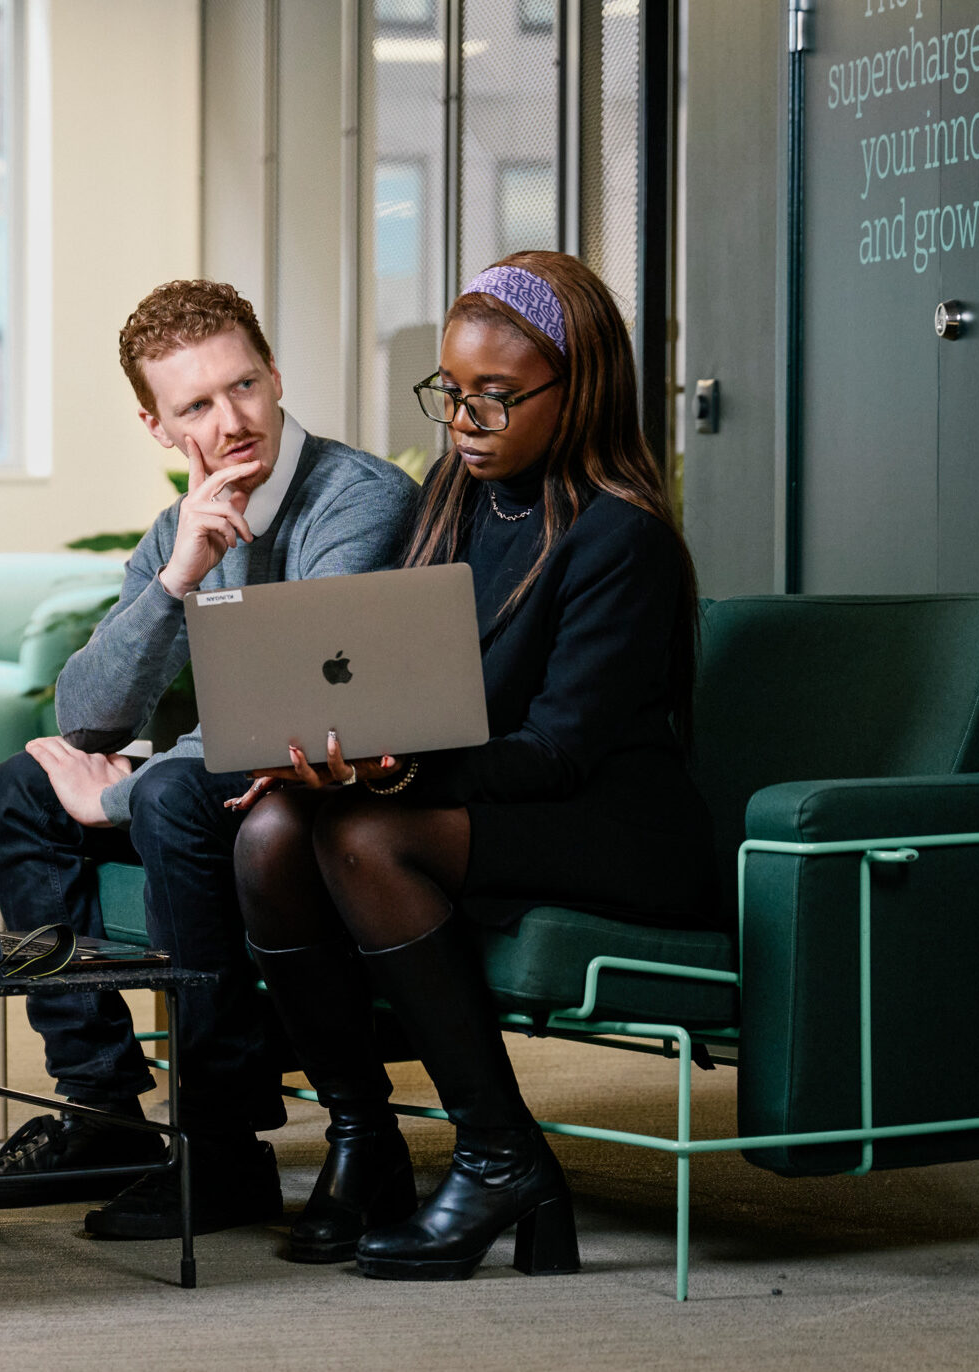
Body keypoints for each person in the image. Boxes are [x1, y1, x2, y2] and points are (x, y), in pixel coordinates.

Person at [229, 251, 713, 1278]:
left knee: (363, 836)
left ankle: (500, 1155)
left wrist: (391, 776)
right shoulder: (453, 493)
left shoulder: (620, 539)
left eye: (496, 398)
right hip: (485, 795)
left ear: (575, 390)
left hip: (615, 826)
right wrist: (335, 744)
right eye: (450, 392)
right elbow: (400, 677)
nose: (463, 422)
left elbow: (558, 751)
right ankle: (365, 1139)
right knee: (273, 830)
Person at [0, 281, 419, 1240]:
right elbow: (83, 716)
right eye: (196, 405)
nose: (232, 419)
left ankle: (221, 1146)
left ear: (276, 375)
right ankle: (103, 1109)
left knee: (160, 793)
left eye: (244, 386)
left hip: (328, 784)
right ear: (157, 426)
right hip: (228, 774)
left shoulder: (360, 501)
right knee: (19, 791)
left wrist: (111, 803)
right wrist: (176, 579)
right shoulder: (183, 526)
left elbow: (298, 699)